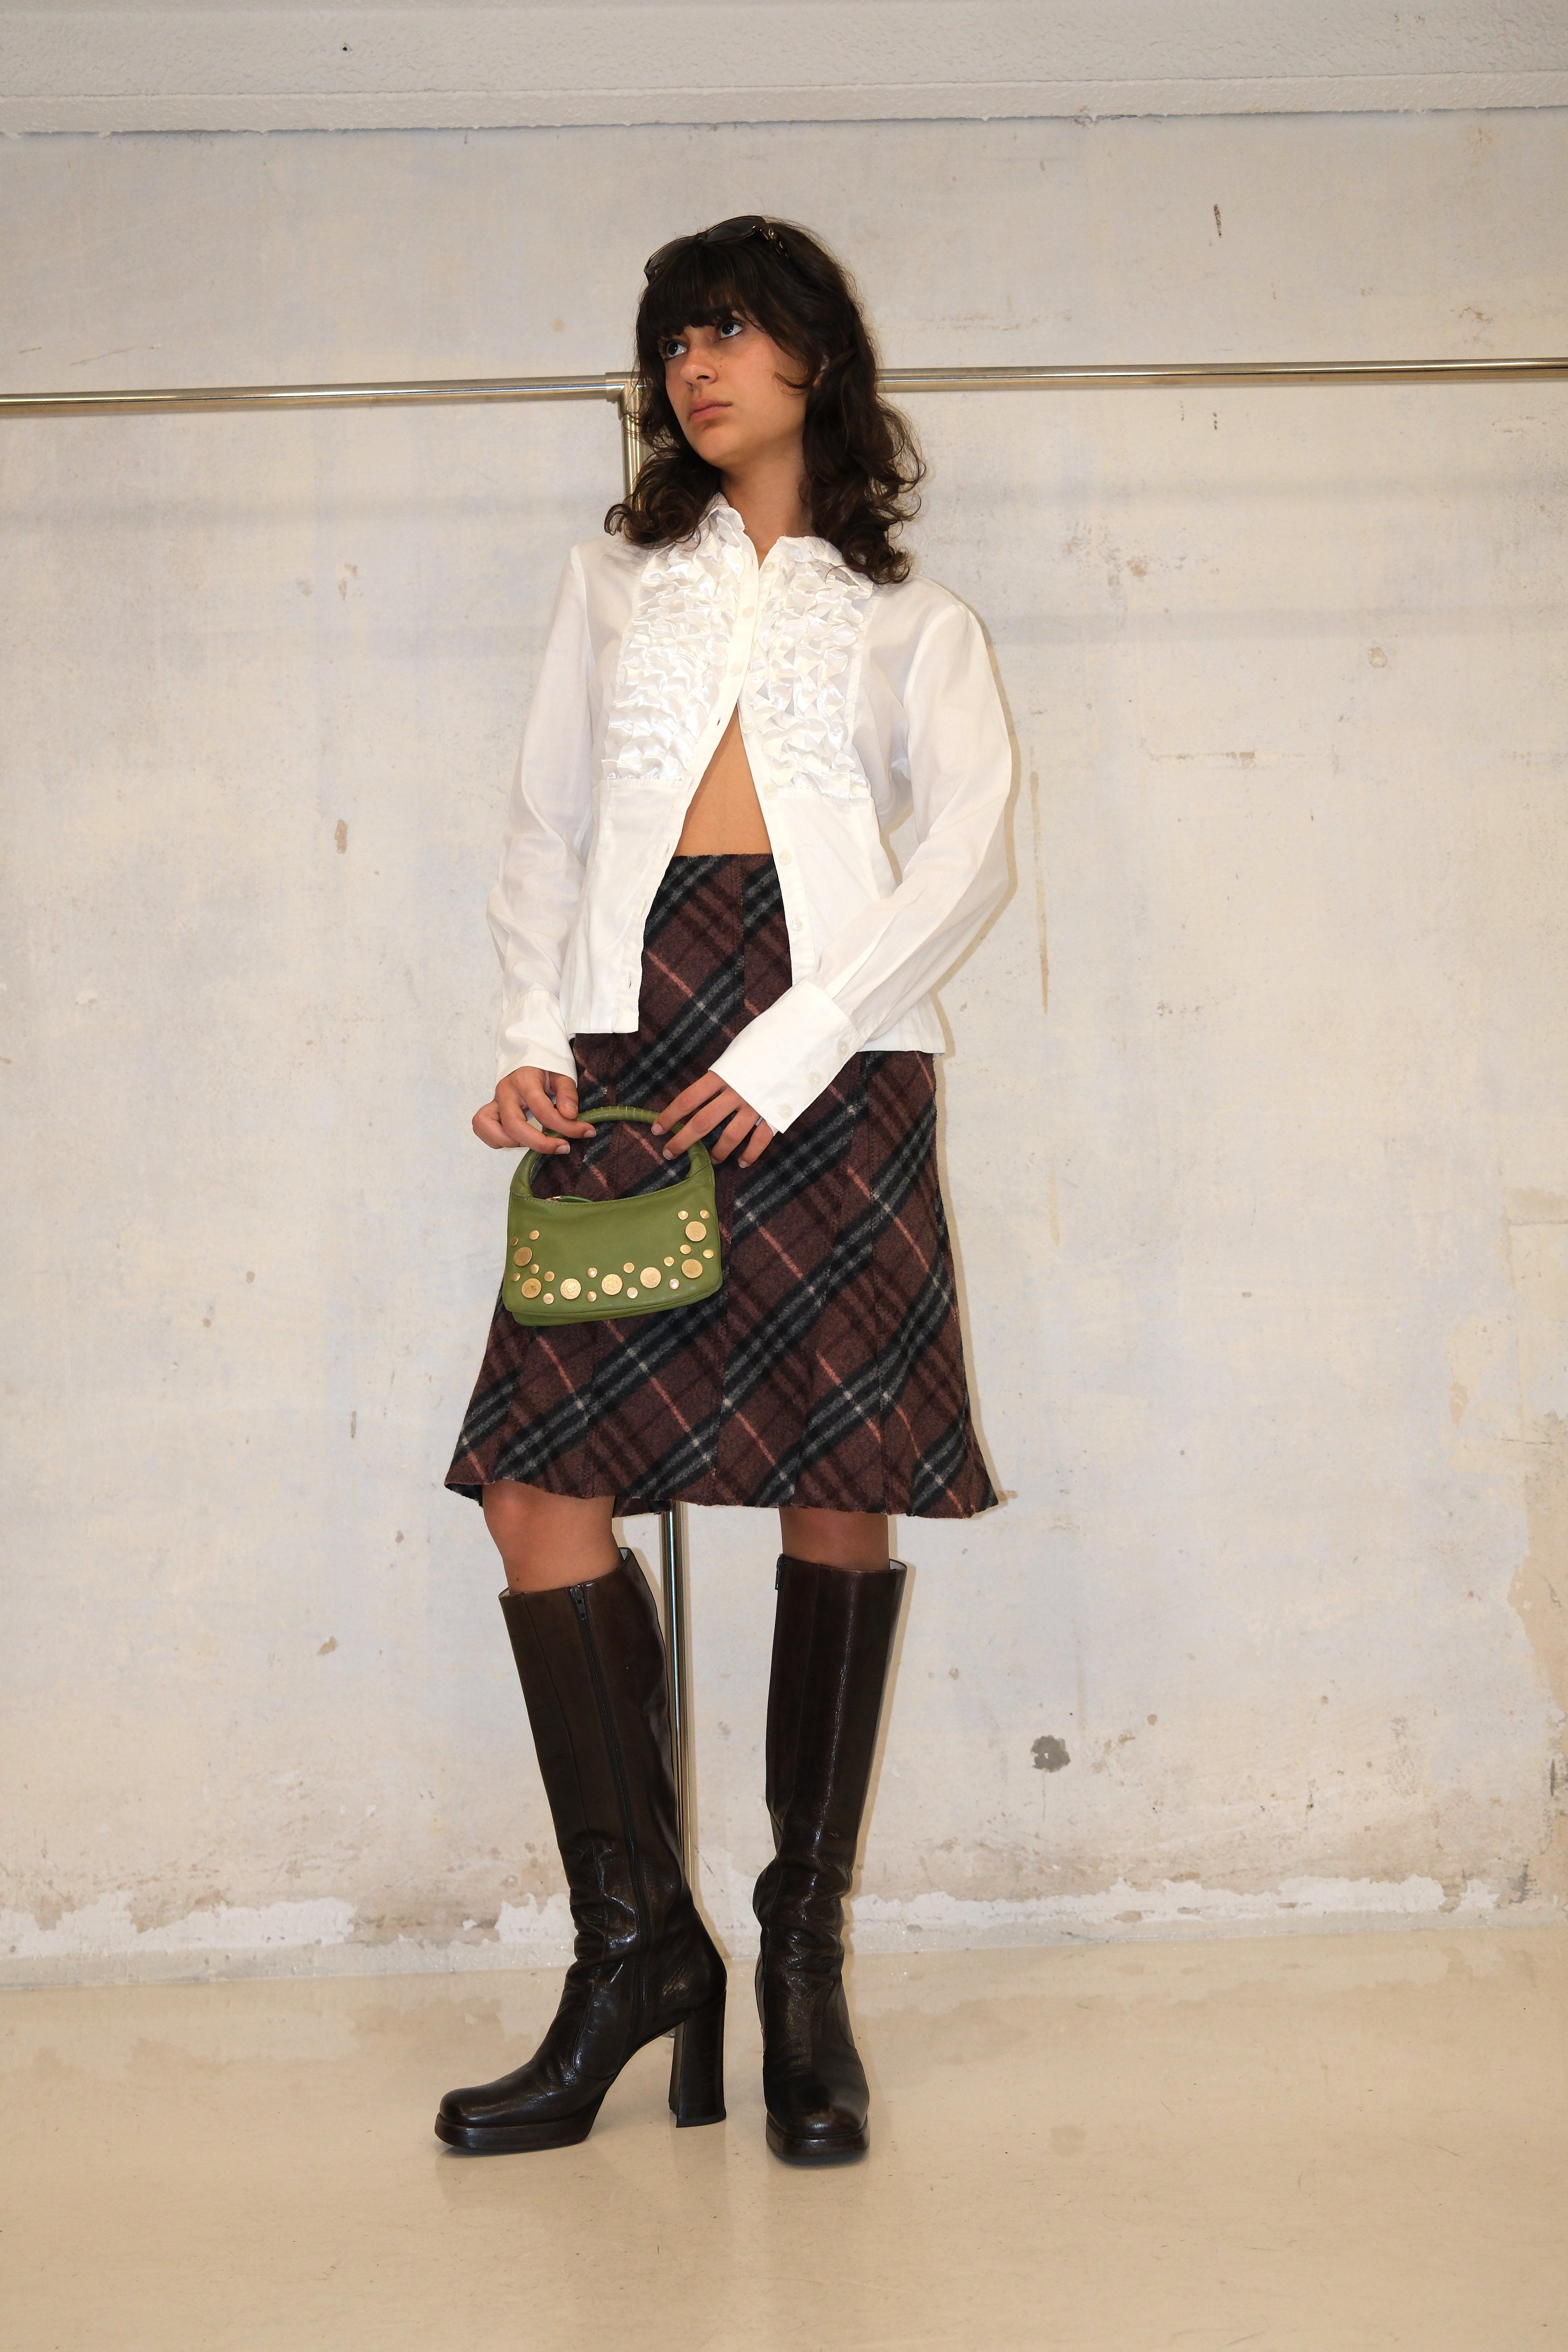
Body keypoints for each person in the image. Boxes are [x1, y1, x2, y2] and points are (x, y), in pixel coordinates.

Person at [437, 216, 1011, 2165]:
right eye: (677, 339)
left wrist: (799, 1041)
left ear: (815, 364)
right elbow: (545, 820)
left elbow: (969, 858)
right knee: (538, 1486)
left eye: (736, 332)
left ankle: (801, 1966)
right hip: (627, 1038)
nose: (696, 366)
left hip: (836, 1057)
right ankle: (636, 1953)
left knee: (841, 1481)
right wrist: (530, 1028)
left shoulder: (916, 623)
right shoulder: (611, 584)